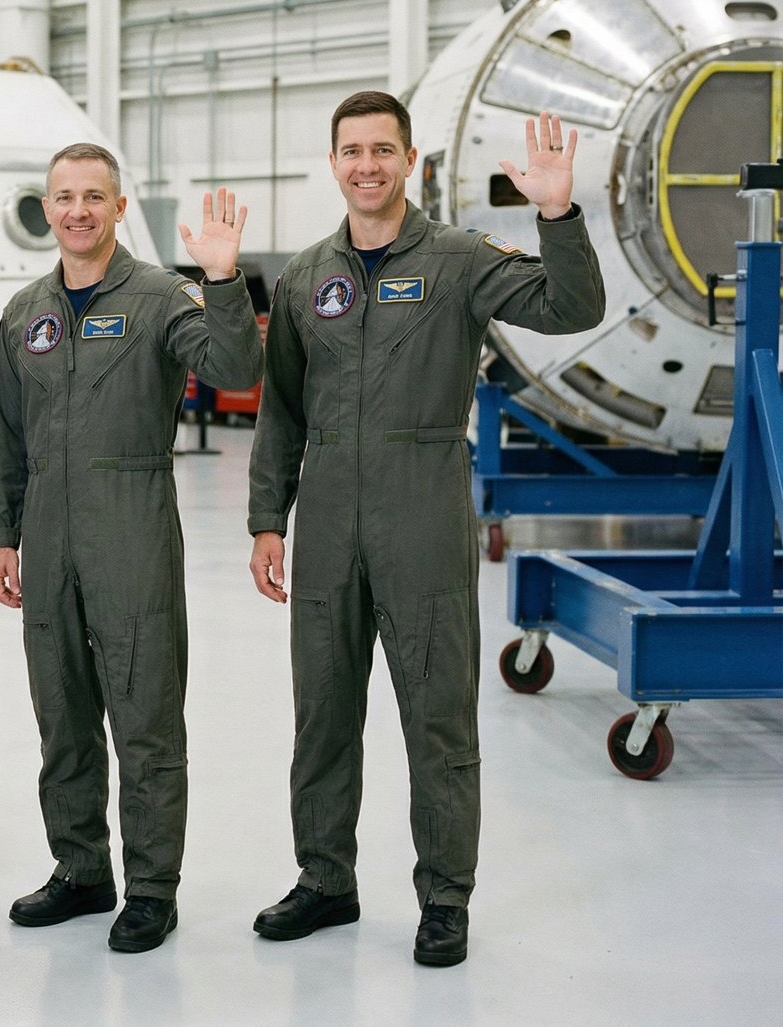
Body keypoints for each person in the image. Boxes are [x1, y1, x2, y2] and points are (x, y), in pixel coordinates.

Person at [246, 92, 606, 967]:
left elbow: (571, 306)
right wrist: (267, 518)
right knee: (322, 712)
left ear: (410, 161)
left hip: (424, 506)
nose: (366, 164)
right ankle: (325, 878)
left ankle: (445, 896)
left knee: (437, 715)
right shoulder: (304, 277)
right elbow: (281, 410)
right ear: (332, 163)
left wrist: (556, 212)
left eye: (382, 149)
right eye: (351, 151)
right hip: (328, 512)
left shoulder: (457, 259)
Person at [0, 142, 264, 953]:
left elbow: (237, 364)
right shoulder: (25, 311)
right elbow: (6, 434)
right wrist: (2, 534)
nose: (76, 210)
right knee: (62, 712)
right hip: (46, 533)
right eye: (63, 197)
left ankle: (150, 886)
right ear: (47, 209)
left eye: (92, 196)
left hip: (132, 524)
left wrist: (222, 281)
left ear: (116, 206)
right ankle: (81, 869)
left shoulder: (158, 297)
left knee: (144, 713)